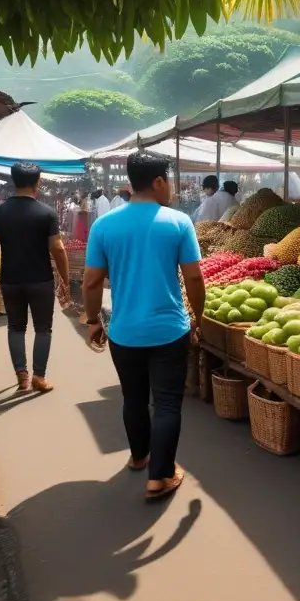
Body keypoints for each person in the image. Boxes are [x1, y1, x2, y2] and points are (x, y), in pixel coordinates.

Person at [83, 151, 206, 501]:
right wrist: (198, 315)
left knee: (133, 398)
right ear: (157, 182)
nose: (171, 189)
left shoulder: (103, 226)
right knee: (166, 403)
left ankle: (140, 457)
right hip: (170, 331)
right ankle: (161, 477)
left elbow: (91, 282)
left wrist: (93, 322)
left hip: (124, 332)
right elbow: (194, 277)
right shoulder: (178, 223)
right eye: (168, 181)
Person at [0, 162, 70, 393]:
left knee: (15, 328)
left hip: (10, 280)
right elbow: (58, 248)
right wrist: (65, 279)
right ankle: (39, 377)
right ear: (38, 181)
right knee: (43, 328)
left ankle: (22, 377)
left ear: (14, 180)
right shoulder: (46, 213)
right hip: (41, 280)